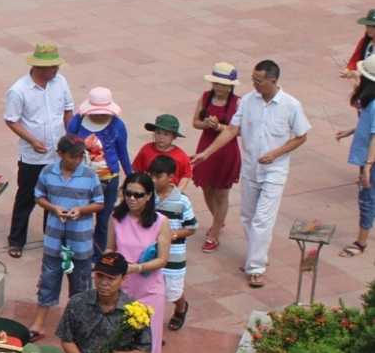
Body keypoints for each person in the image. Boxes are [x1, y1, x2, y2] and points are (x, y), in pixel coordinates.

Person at [191, 60, 310, 289]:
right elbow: (233, 130)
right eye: (253, 80)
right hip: (250, 169)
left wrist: (276, 153)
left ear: (272, 81)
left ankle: (255, 267)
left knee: (262, 220)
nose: (254, 84)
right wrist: (206, 153)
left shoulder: (291, 105)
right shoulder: (247, 101)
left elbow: (301, 136)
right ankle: (258, 256)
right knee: (247, 216)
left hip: (274, 171)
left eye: (258, 81)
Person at [5, 42, 76, 259]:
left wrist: (70, 137)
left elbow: (67, 110)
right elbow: (12, 120)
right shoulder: (19, 90)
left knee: (54, 196)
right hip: (32, 156)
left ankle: (52, 237)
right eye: (52, 66)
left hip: (56, 154)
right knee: (26, 197)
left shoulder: (60, 82)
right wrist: (32, 140)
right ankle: (16, 240)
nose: (56, 70)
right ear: (38, 66)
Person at [31, 133, 105, 340]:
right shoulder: (48, 172)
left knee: (81, 285)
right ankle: (39, 324)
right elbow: (39, 197)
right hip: (54, 239)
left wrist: (81, 210)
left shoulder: (90, 175)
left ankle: (79, 326)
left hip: (80, 243)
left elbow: (99, 203)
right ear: (60, 154)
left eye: (80, 156)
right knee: (48, 280)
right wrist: (54, 208)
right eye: (73, 156)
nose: (77, 161)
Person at [108, 172, 167, 353]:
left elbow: (163, 259)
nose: (132, 199)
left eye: (138, 195)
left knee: (145, 338)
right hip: (121, 286)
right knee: (117, 333)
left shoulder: (160, 222)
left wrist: (137, 267)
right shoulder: (117, 217)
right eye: (128, 193)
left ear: (149, 196)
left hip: (149, 288)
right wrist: (110, 265)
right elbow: (110, 248)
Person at [67, 87, 132, 262]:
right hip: (82, 179)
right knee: (79, 216)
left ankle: (96, 256)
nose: (100, 117)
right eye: (96, 113)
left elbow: (122, 153)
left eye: (103, 113)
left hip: (108, 180)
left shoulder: (117, 126)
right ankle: (78, 251)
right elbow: (69, 149)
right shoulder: (77, 122)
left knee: (103, 221)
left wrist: (131, 176)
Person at [190, 63, 242, 252]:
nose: (219, 88)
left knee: (221, 192)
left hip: (226, 150)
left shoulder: (237, 102)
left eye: (223, 84)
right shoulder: (205, 97)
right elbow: (195, 122)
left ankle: (214, 233)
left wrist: (219, 127)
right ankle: (218, 220)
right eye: (216, 83)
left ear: (230, 85)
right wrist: (206, 124)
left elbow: (240, 130)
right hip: (206, 145)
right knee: (206, 187)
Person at [148, 156, 198, 332]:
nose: (153, 180)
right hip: (151, 254)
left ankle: (181, 307)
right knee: (151, 289)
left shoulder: (182, 201)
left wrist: (173, 235)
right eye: (151, 175)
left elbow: (192, 228)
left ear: (171, 177)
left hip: (174, 257)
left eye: (158, 176)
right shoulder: (147, 197)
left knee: (173, 292)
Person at [335, 57, 375, 259]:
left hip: (370, 160)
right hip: (367, 159)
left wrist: (367, 166)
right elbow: (368, 125)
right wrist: (350, 131)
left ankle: (361, 242)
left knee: (367, 199)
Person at [131, 115, 192, 184]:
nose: (161, 137)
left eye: (166, 134)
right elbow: (136, 169)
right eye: (158, 133)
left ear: (174, 136)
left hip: (170, 191)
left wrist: (177, 192)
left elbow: (186, 175)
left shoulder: (181, 156)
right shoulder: (146, 149)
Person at [341, 9, 375, 81]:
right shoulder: (364, 42)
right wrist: (347, 70)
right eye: (368, 26)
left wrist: (360, 74)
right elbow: (354, 61)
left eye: (373, 27)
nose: (369, 29)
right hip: (366, 85)